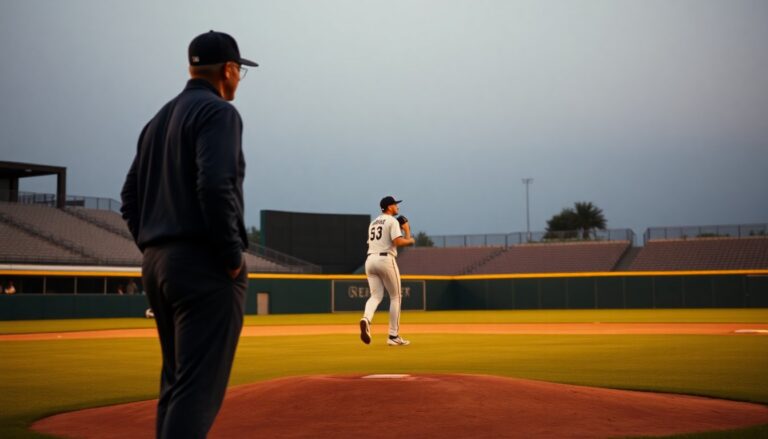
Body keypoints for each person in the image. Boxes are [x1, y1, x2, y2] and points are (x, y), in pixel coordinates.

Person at [120, 30, 255, 439]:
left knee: (176, 383)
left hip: (158, 264)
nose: (237, 80)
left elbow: (129, 197)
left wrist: (153, 246)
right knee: (197, 390)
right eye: (239, 72)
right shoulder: (218, 113)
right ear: (228, 70)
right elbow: (215, 186)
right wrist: (231, 257)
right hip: (203, 266)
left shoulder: (158, 119)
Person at [359, 196, 415, 346]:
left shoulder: (373, 223)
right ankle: (393, 336)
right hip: (385, 259)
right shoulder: (391, 221)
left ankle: (366, 319)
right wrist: (409, 235)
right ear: (389, 207)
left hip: (370, 259)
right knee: (396, 297)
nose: (397, 207)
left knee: (376, 296)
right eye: (395, 205)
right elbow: (398, 242)